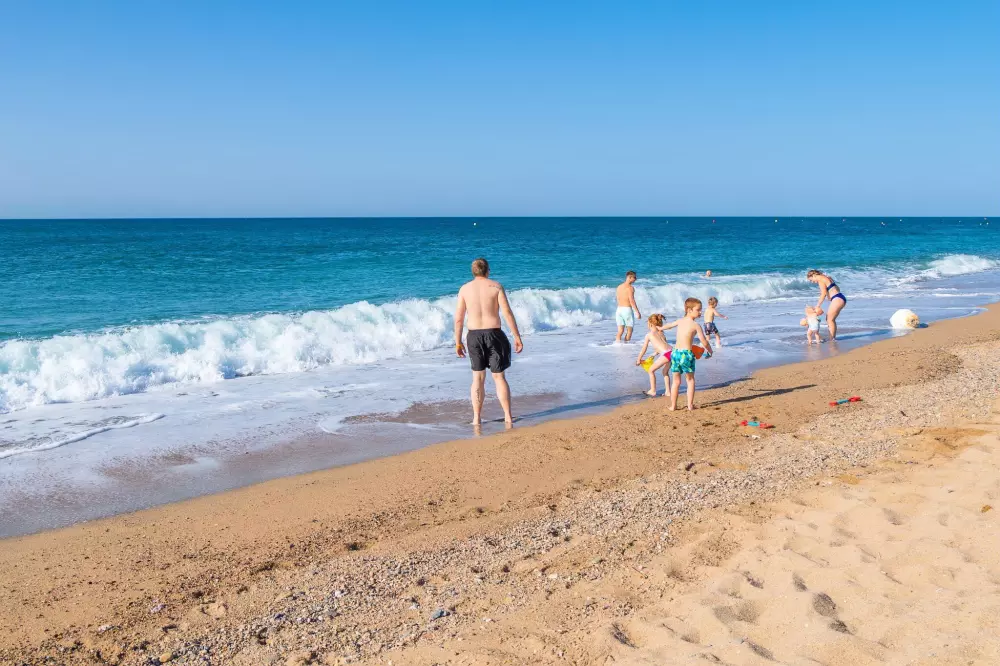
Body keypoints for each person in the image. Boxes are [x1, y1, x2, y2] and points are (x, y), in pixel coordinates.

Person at [454, 258, 524, 426]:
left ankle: (476, 419)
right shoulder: (496, 287)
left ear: (473, 271)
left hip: (474, 336)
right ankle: (507, 416)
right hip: (494, 334)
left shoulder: (464, 289)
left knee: (477, 378)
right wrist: (516, 336)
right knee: (499, 377)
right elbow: (507, 313)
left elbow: (459, 319)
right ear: (488, 270)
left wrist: (458, 342)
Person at [660, 298, 713, 411]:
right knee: (690, 380)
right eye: (698, 310)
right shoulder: (696, 325)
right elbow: (704, 341)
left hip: (675, 353)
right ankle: (689, 405)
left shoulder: (680, 321)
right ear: (689, 310)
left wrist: (660, 328)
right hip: (686, 354)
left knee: (676, 381)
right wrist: (710, 350)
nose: (700, 312)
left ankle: (673, 406)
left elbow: (669, 325)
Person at [635, 314, 673, 396]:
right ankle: (668, 392)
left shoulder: (649, 335)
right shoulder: (661, 333)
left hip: (666, 354)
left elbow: (644, 349)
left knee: (651, 370)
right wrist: (655, 354)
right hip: (672, 351)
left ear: (650, 323)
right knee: (665, 372)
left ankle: (653, 390)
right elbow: (663, 345)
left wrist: (639, 359)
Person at [806, 269, 847, 340]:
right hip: (840, 297)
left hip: (837, 299)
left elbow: (823, 294)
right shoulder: (827, 277)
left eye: (811, 280)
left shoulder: (820, 279)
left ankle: (832, 339)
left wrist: (818, 305)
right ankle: (832, 338)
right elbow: (838, 288)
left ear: (813, 275)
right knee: (831, 319)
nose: (812, 282)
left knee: (829, 320)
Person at [614, 271, 641, 343]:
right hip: (627, 310)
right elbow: (632, 301)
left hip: (619, 310)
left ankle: (617, 345)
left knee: (620, 331)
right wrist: (637, 312)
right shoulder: (630, 288)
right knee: (630, 330)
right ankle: (626, 346)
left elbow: (618, 298)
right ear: (629, 277)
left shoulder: (619, 287)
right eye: (634, 277)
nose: (636, 279)